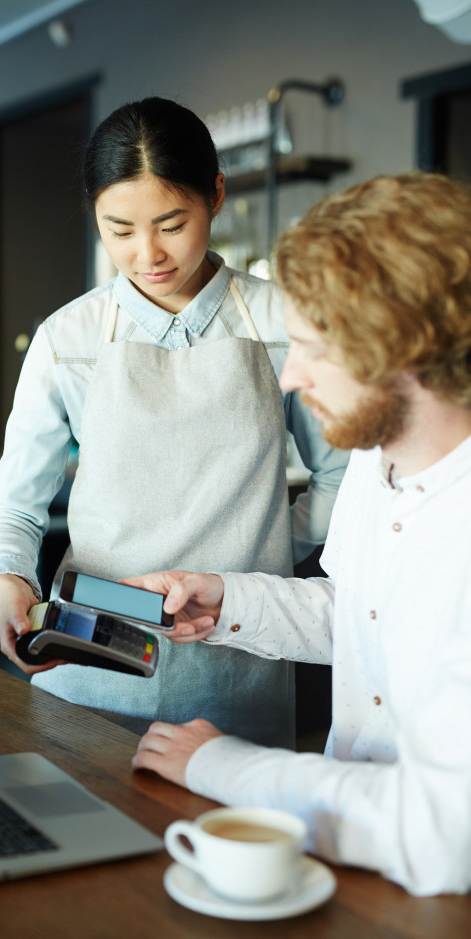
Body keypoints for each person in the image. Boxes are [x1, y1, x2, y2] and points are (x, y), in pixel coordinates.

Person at [130, 171, 471, 896]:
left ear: (401, 347)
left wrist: (222, 765)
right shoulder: (381, 458)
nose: (290, 375)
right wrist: (227, 600)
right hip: (347, 864)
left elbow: (442, 835)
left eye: (313, 346)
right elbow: (358, 610)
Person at [0, 96, 347, 745]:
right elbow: (14, 506)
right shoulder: (68, 336)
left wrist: (261, 545)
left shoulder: (285, 320)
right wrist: (10, 584)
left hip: (239, 662)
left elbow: (342, 474)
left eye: (172, 222)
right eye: (119, 229)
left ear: (216, 195)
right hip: (89, 657)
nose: (148, 252)